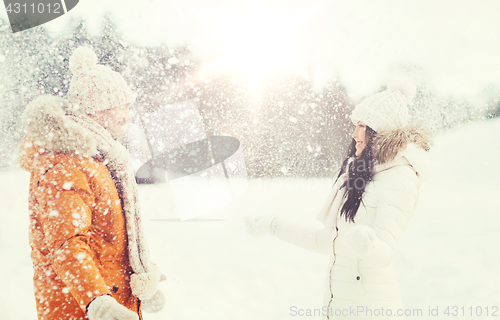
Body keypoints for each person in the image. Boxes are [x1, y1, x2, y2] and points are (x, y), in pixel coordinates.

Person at [245, 79, 432, 319]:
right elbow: (327, 242)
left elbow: (385, 254)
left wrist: (367, 244)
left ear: (378, 131)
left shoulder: (400, 177)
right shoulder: (358, 174)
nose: (354, 134)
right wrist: (273, 224)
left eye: (362, 126)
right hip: (339, 306)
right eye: (355, 125)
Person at [19, 47, 166, 320]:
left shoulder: (100, 161)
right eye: (122, 106)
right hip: (80, 310)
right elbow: (67, 244)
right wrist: (98, 302)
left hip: (112, 301)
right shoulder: (64, 164)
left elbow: (110, 242)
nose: (128, 115)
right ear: (98, 110)